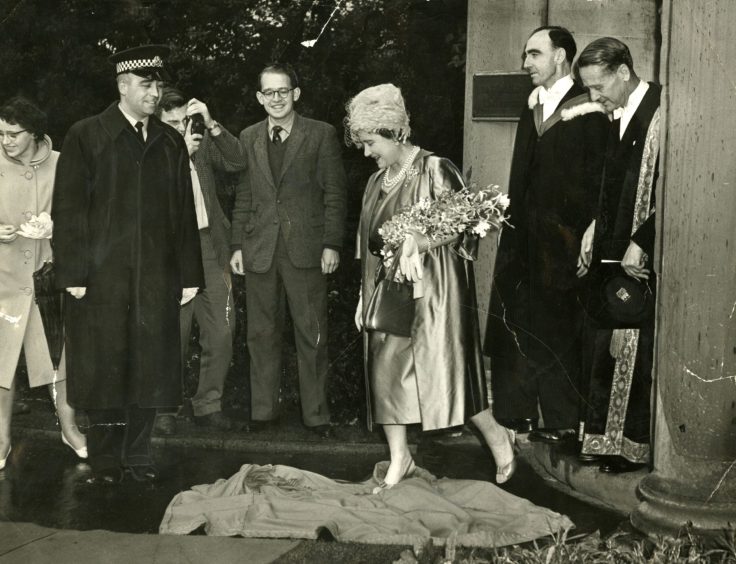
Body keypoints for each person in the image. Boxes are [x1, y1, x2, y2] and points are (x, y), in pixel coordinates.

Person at [346, 83, 516, 489]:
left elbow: (468, 225)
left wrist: (419, 241)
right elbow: (366, 247)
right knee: (384, 372)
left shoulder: (435, 168)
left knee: (445, 374)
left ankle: (497, 436)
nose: (367, 152)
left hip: (434, 292)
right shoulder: (375, 183)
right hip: (387, 294)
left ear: (394, 131)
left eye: (371, 142)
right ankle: (400, 457)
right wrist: (361, 295)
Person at [52, 45, 204, 485]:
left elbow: (183, 213)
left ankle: (138, 456)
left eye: (158, 84)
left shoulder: (169, 140)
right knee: (103, 367)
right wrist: (74, 273)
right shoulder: (87, 134)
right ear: (122, 86)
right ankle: (103, 461)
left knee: (149, 367)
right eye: (145, 84)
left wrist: (189, 274)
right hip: (101, 279)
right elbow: (70, 208)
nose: (155, 92)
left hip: (155, 277)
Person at [484, 26, 608, 443]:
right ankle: (518, 414)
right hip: (525, 236)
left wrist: (588, 230)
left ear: (560, 56)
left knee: (559, 325)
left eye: (534, 54)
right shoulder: (532, 105)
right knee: (520, 319)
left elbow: (600, 178)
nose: (526, 63)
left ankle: (560, 420)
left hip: (565, 239)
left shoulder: (590, 109)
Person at [230, 63, 347, 439]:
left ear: (296, 94)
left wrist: (331, 243)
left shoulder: (320, 134)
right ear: (259, 97)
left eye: (283, 91)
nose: (276, 99)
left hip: (306, 249)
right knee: (260, 333)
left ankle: (316, 416)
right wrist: (236, 245)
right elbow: (244, 196)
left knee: (311, 333)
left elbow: (335, 193)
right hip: (260, 248)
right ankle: (263, 412)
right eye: (269, 93)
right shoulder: (247, 137)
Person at [575, 37, 660, 473]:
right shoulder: (616, 116)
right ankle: (602, 439)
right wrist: (595, 224)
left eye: (598, 87)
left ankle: (629, 446)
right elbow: (610, 185)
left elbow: (670, 187)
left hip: (641, 254)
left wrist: (643, 239)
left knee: (633, 347)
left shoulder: (663, 111)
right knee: (605, 343)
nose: (594, 97)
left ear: (623, 72)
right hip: (611, 247)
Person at [0, 97, 87, 470]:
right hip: (2, 278)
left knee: (58, 353)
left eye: (14, 134)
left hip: (47, 275)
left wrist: (57, 225)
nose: (6, 141)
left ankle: (69, 428)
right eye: (0, 134)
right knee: (1, 362)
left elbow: (85, 210)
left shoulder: (63, 162)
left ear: (34, 132)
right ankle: (0, 436)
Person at [155, 87, 246, 434]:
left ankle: (209, 404)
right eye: (171, 124)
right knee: (171, 331)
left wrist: (211, 124)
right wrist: (179, 155)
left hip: (210, 243)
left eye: (184, 122)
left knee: (222, 330)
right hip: (171, 250)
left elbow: (238, 161)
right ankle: (165, 407)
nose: (181, 129)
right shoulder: (150, 150)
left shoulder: (201, 140)